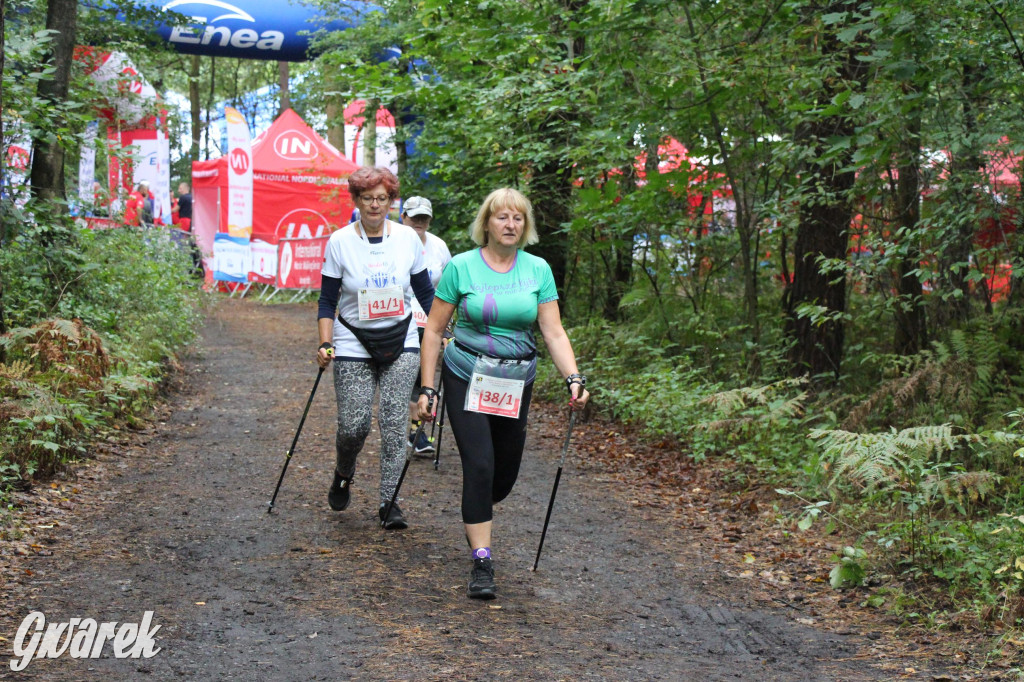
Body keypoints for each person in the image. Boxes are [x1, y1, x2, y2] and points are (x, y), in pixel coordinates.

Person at [416, 187, 590, 599]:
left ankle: (476, 504)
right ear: (486, 223)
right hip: (466, 373)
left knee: (503, 473)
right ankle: (482, 560)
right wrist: (427, 387)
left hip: (515, 381)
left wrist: (574, 377)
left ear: (524, 226)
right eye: (501, 217)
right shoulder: (461, 267)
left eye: (517, 218)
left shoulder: (538, 270)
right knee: (479, 465)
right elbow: (435, 330)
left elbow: (552, 330)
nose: (510, 225)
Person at [316, 167, 435, 530]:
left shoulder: (407, 239)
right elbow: (326, 301)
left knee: (394, 420)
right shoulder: (339, 241)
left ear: (391, 201)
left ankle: (389, 501)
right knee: (354, 425)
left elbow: (426, 293)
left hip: (401, 338)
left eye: (382, 198)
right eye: (367, 198)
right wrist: (325, 341)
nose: (375, 205)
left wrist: (440, 331)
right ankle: (344, 470)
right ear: (356, 200)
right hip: (353, 338)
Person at [401, 195, 452, 455]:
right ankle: (413, 431)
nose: (419, 222)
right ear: (403, 217)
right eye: (414, 217)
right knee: (411, 373)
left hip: (431, 319)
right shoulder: (393, 241)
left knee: (425, 376)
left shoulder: (439, 246)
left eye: (424, 218)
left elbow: (448, 286)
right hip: (400, 318)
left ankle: (415, 431)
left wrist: (448, 325)